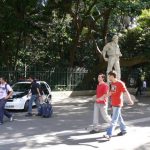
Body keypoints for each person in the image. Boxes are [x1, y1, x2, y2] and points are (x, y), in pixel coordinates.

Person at [103, 71, 134, 140]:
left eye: (109, 76)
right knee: (119, 118)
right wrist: (105, 96)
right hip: (113, 103)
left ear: (112, 76)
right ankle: (124, 130)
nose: (108, 77)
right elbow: (111, 92)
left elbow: (126, 92)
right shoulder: (112, 83)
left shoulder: (120, 83)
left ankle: (109, 134)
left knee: (114, 120)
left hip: (118, 104)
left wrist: (130, 100)